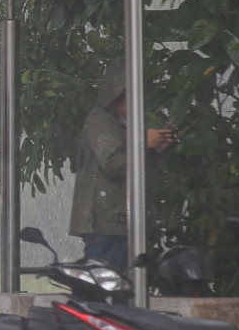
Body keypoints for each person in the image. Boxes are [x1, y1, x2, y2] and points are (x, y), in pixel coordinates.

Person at [69, 60, 173, 270]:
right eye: (128, 94)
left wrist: (156, 151)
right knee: (106, 283)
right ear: (116, 94)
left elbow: (145, 175)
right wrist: (142, 143)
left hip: (130, 225)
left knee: (129, 285)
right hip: (105, 226)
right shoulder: (100, 120)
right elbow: (112, 164)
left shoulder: (129, 124)